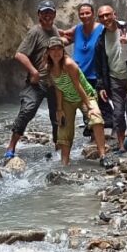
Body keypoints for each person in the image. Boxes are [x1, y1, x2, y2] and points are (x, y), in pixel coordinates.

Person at [4, 1, 60, 159]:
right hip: (37, 83)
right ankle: (11, 147)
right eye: (44, 13)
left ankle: (58, 145)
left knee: (56, 115)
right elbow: (19, 54)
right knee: (26, 111)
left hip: (54, 82)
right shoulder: (35, 32)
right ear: (39, 15)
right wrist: (34, 71)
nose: (47, 15)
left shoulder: (55, 30)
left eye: (50, 12)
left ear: (54, 14)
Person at [44, 37, 106, 165]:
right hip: (68, 99)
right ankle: (64, 163)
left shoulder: (68, 64)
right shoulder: (49, 68)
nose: (56, 52)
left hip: (85, 95)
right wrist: (59, 109)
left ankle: (103, 157)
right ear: (48, 52)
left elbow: (78, 86)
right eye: (53, 49)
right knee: (64, 127)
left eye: (59, 49)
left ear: (63, 50)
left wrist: (89, 106)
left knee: (96, 118)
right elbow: (58, 88)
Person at [96, 5, 127, 148]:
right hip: (114, 78)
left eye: (108, 15)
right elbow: (99, 64)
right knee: (118, 113)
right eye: (102, 16)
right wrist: (101, 86)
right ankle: (121, 144)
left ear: (114, 14)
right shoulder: (101, 38)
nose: (105, 18)